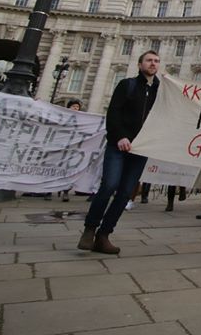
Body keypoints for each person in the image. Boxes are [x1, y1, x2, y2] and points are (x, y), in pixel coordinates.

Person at [77, 50, 160, 254]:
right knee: (109, 185)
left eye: (156, 61)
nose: (153, 63)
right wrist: (121, 136)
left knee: (125, 194)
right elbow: (113, 113)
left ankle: (104, 235)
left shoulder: (160, 91)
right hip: (119, 145)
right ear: (140, 64)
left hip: (140, 149)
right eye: (149, 60)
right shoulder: (127, 85)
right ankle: (89, 229)